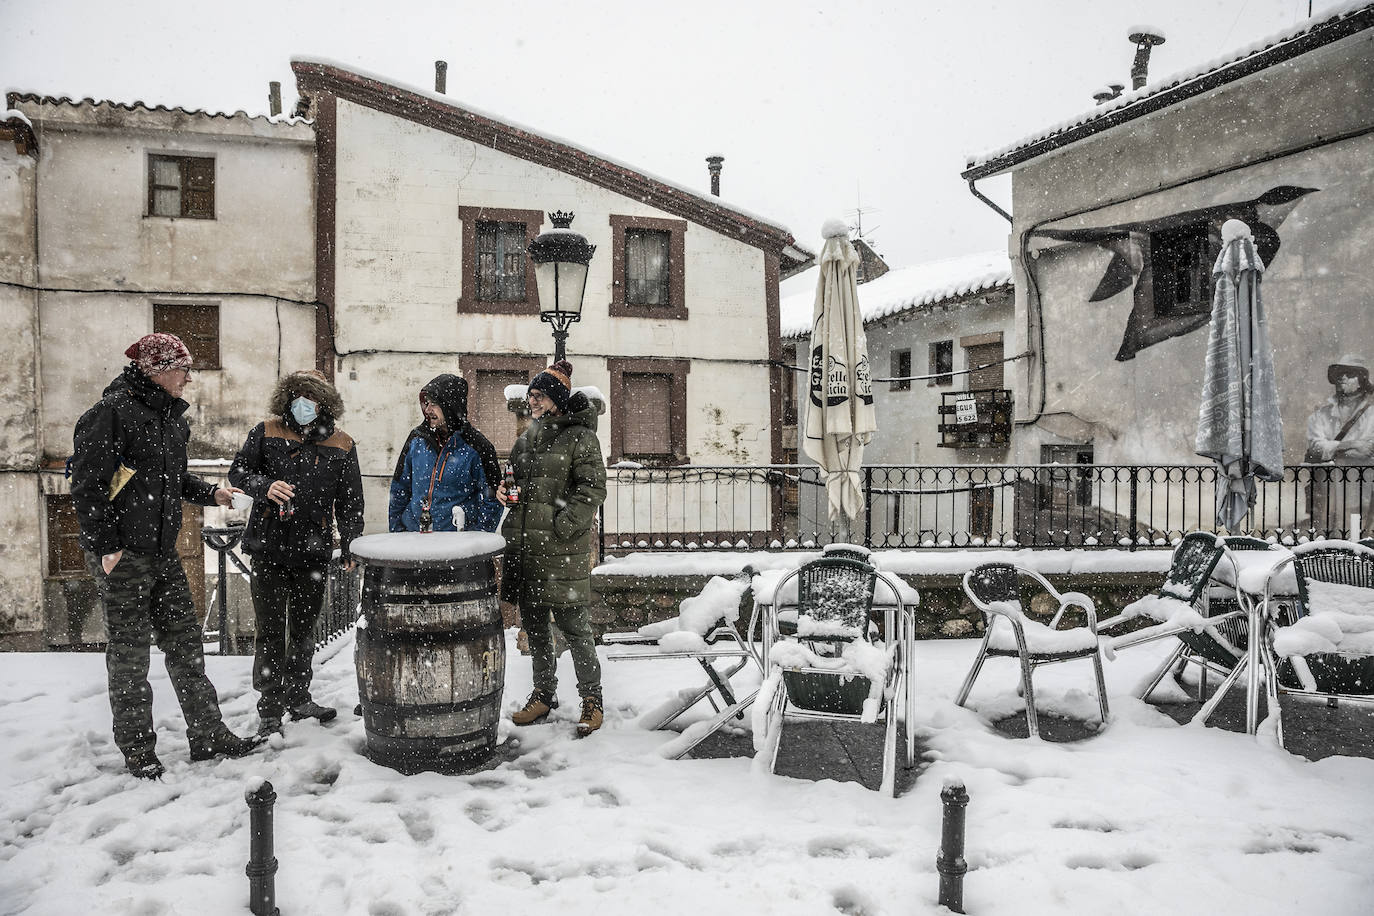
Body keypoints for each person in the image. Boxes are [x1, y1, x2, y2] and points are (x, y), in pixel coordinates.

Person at [71, 333, 263, 778]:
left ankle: (208, 734)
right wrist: (107, 547)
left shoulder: (172, 420)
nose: (189, 377)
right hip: (123, 558)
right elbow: (87, 486)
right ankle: (138, 750)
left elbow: (171, 478)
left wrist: (210, 492)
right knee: (130, 657)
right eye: (182, 368)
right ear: (156, 371)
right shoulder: (110, 415)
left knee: (186, 647)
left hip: (163, 554)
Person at [229, 369, 365, 734]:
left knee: (304, 630)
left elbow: (351, 501)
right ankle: (269, 707)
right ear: (286, 397)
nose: (303, 402)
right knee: (271, 629)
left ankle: (299, 697)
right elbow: (238, 472)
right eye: (297, 394)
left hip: (314, 552)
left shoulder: (342, 443)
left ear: (325, 403)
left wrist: (351, 543)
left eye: (312, 395)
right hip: (268, 547)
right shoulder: (267, 431)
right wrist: (264, 485)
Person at [498, 360, 608, 736]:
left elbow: (592, 489)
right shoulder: (527, 438)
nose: (532, 401)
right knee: (535, 627)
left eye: (539, 395)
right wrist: (504, 494)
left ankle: (592, 700)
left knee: (574, 627)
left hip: (561, 551)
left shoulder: (582, 437)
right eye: (530, 395)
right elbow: (514, 483)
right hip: (527, 548)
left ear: (557, 401)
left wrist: (562, 526)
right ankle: (543, 694)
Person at [389, 373, 502, 533]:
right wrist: (397, 532)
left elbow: (492, 498)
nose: (427, 410)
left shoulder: (478, 446)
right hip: (414, 538)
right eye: (426, 403)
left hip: (456, 544)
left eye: (434, 404)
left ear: (450, 405)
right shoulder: (416, 438)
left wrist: (478, 540)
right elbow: (399, 488)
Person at [1304, 354, 1374, 537]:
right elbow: (1316, 446)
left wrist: (1334, 447)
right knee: (1330, 534)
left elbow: (1369, 449)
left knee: (1361, 537)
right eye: (1339, 373)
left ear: (1361, 380)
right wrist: (1350, 444)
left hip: (1363, 484)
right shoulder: (1322, 414)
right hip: (1328, 487)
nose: (1342, 377)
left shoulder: (1372, 414)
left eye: (1349, 373)